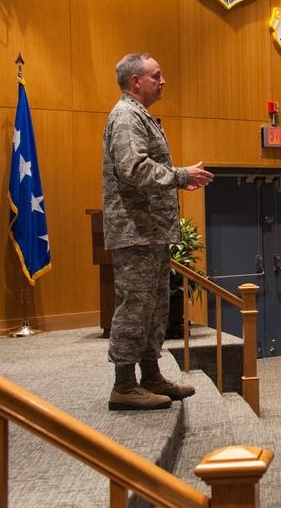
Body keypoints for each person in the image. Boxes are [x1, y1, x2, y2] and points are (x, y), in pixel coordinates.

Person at [103, 52, 213, 411]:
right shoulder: (125, 117)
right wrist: (180, 176)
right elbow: (132, 168)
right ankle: (123, 384)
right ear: (136, 81)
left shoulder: (141, 116)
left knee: (154, 308)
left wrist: (179, 178)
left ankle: (150, 375)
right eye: (156, 75)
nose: (163, 81)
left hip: (151, 232)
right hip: (135, 231)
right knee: (135, 306)